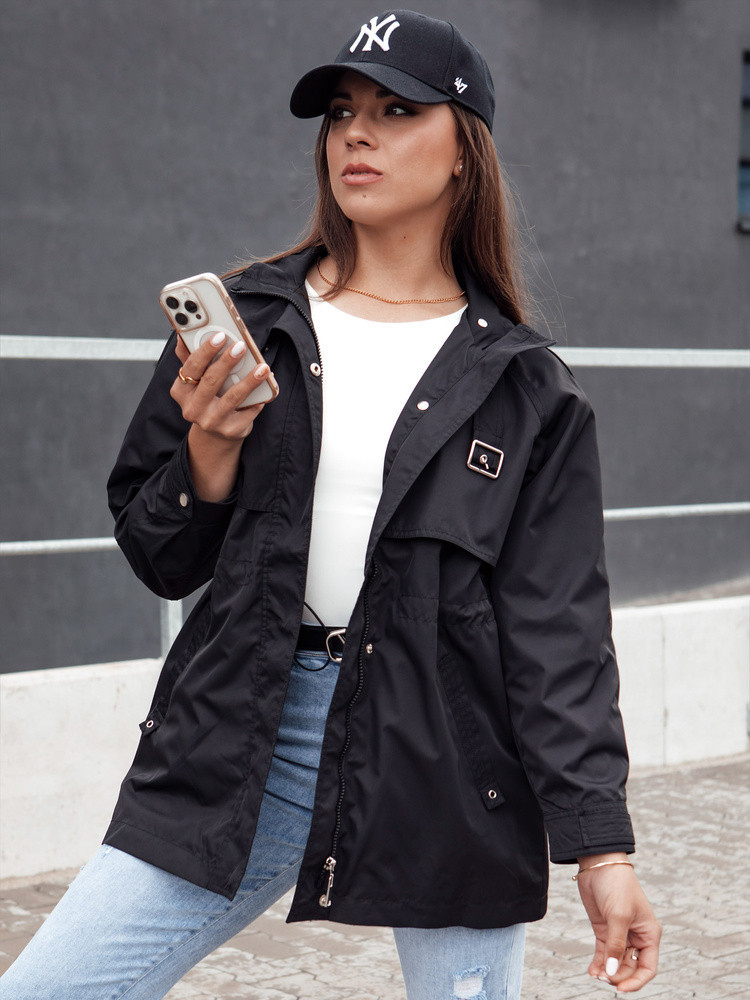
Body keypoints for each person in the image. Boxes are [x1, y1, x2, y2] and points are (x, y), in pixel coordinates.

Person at [1, 9, 661, 999]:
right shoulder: (251, 319)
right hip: (245, 732)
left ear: (464, 151)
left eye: (396, 111)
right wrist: (209, 448)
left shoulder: (526, 386)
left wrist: (601, 847)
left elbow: (556, 631)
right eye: (343, 111)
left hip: (447, 755)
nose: (357, 133)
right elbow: (159, 553)